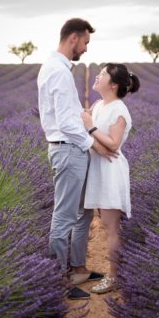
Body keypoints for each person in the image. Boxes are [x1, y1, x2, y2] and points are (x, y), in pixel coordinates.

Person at [37, 18, 117, 301]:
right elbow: (66, 123)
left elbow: (71, 116)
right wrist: (93, 145)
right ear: (73, 38)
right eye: (85, 42)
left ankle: (79, 268)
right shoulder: (57, 72)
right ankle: (58, 281)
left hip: (73, 149)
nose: (85, 48)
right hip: (68, 149)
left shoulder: (59, 69)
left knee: (83, 213)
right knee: (64, 216)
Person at [80, 63, 140, 294]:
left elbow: (114, 143)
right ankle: (116, 273)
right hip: (97, 168)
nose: (97, 76)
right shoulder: (99, 104)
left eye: (102, 74)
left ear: (113, 85)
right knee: (105, 224)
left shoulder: (119, 110)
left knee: (111, 227)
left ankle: (114, 276)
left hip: (110, 171)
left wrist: (90, 126)